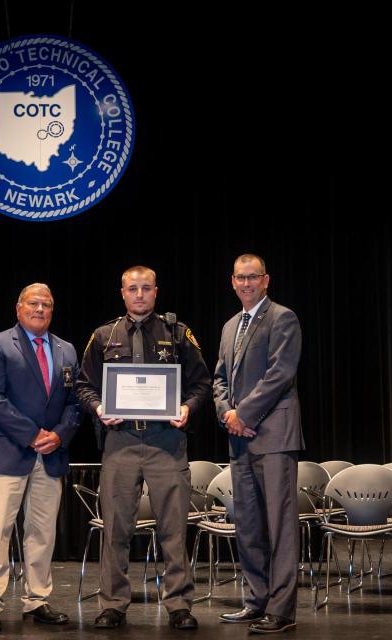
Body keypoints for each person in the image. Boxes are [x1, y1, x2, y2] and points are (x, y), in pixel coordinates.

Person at [75, 265, 211, 631]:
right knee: (116, 528)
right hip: (120, 442)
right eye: (132, 288)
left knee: (173, 528)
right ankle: (114, 604)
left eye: (146, 288)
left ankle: (179, 604)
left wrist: (187, 408)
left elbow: (201, 384)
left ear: (156, 291)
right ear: (122, 293)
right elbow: (83, 385)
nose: (139, 294)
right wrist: (100, 408)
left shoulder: (178, 333)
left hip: (166, 441)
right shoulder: (104, 336)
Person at [0, 283, 81, 631]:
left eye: (47, 304)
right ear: (18, 308)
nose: (40, 309)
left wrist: (59, 435)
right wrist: (32, 434)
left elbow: (75, 403)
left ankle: (37, 600)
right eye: (33, 303)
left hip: (50, 455)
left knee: (42, 532)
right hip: (7, 451)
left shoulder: (67, 349)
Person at [213, 254, 303, 634]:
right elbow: (219, 379)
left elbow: (280, 374)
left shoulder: (283, 318)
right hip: (240, 439)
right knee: (248, 524)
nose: (246, 283)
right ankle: (256, 601)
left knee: (280, 526)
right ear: (232, 282)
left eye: (253, 277)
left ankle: (281, 610)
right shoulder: (231, 325)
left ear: (266, 280)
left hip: (273, 436)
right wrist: (225, 413)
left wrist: (243, 415)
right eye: (240, 278)